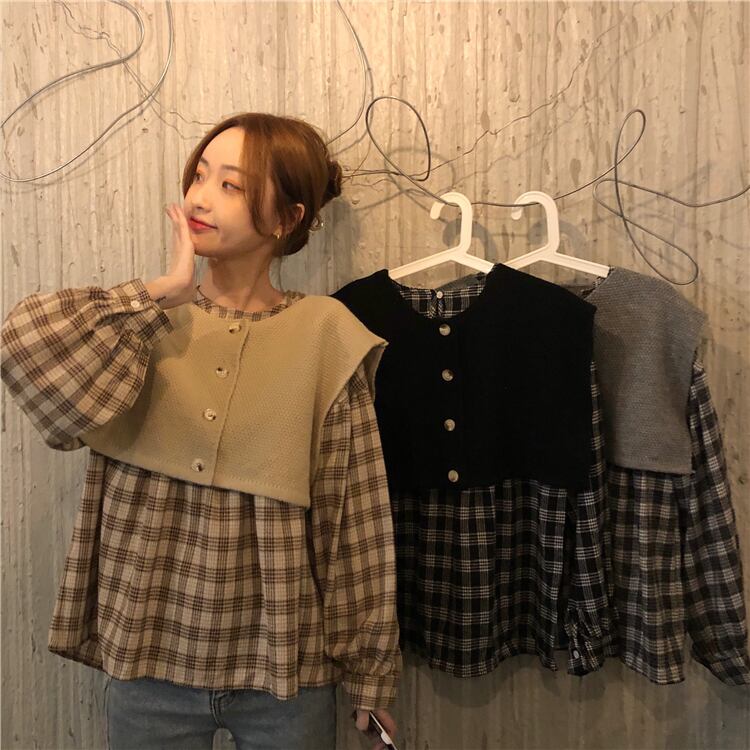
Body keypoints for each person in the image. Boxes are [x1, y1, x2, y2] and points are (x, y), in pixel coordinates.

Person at [0, 113, 401, 750]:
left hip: (284, 673)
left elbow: (354, 522)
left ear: (287, 217)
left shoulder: (325, 334)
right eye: (199, 175)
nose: (199, 197)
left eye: (231, 185)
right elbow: (22, 344)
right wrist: (162, 291)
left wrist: (371, 678)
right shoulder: (138, 328)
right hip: (146, 663)